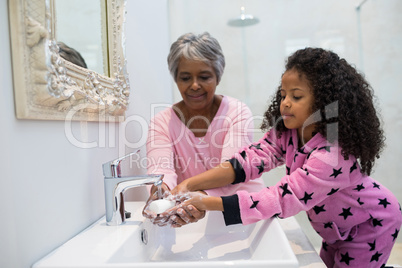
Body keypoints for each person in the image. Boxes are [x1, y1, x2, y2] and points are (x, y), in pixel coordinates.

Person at [165, 48, 402, 267]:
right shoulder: (287, 133)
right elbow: (248, 161)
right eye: (283, 94)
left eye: (296, 97)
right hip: (334, 227)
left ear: (324, 102)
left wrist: (209, 203)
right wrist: (189, 184)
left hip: (369, 224)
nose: (285, 103)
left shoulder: (333, 155)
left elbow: (282, 197)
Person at [143, 32, 265, 227]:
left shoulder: (237, 112)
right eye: (185, 78)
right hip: (193, 212)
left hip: (245, 214)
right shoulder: (161, 122)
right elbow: (160, 171)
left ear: (218, 76)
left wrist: (197, 197)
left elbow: (231, 171)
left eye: (204, 76)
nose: (194, 85)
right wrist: (160, 196)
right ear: (176, 79)